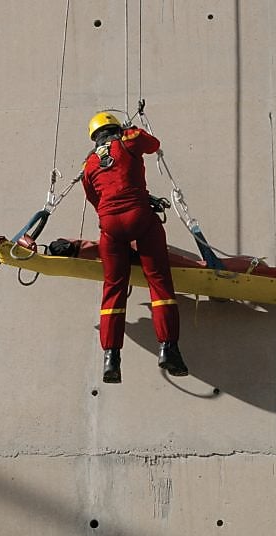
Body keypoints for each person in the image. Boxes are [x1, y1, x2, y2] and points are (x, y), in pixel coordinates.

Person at [82, 111, 189, 383]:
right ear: (116, 128)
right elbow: (154, 145)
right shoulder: (130, 140)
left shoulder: (89, 164)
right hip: (140, 217)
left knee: (113, 290)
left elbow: (95, 199)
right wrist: (134, 129)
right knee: (159, 281)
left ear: (94, 137)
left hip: (110, 226)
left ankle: (111, 358)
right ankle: (168, 349)